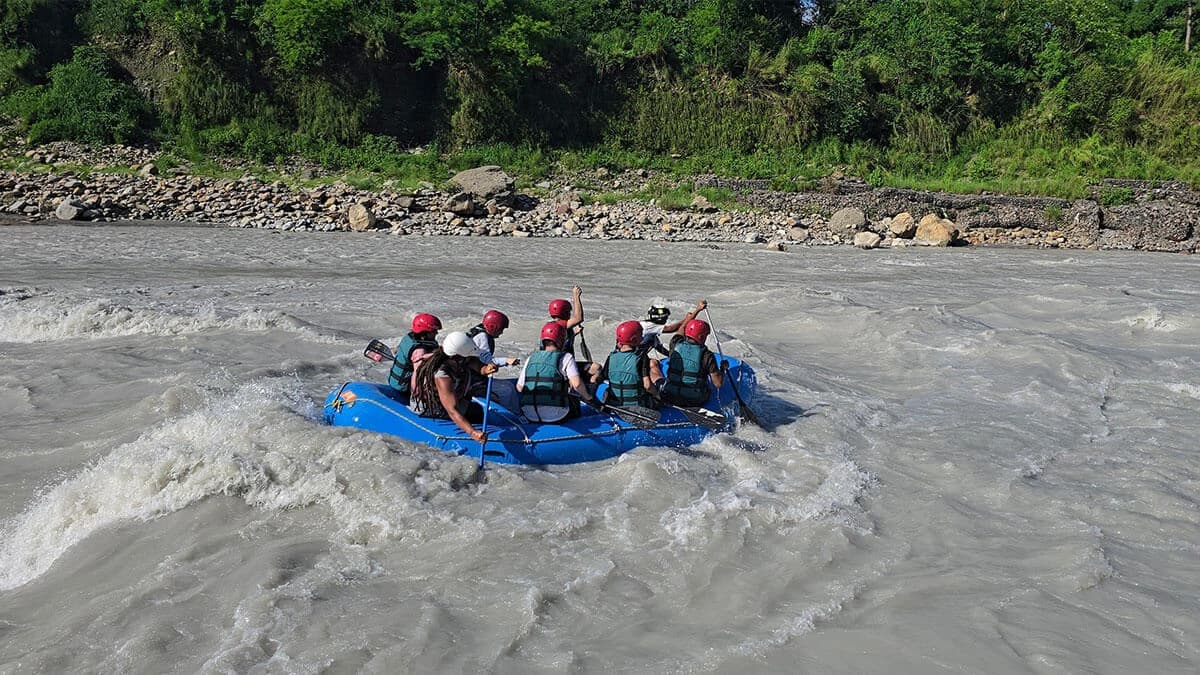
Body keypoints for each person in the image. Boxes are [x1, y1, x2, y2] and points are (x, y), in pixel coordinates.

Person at [409, 331, 499, 442]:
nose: (470, 359)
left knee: (477, 411)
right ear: (458, 358)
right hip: (431, 407)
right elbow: (452, 409)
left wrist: (485, 369)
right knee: (476, 413)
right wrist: (472, 432)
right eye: (468, 357)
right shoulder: (442, 376)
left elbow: (475, 364)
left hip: (450, 399)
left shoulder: (458, 358)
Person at [517, 321, 596, 422]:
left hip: (529, 414)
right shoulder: (566, 357)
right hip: (556, 416)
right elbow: (577, 385)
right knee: (574, 398)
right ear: (561, 340)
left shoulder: (531, 358)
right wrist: (589, 398)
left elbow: (519, 387)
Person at [654, 319, 724, 407]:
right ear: (701, 337)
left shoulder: (674, 343)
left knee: (655, 372)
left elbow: (681, 329)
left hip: (669, 395)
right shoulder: (707, 355)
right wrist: (722, 369)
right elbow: (718, 383)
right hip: (694, 400)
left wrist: (695, 312)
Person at [599, 321, 659, 409]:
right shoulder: (641, 357)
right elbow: (648, 385)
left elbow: (604, 378)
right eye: (640, 334)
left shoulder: (611, 356)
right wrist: (657, 395)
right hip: (637, 406)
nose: (642, 337)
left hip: (615, 404)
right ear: (634, 339)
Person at [388, 312, 441, 401]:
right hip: (405, 388)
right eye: (433, 331)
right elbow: (417, 375)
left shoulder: (409, 338)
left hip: (397, 382)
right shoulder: (419, 351)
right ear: (424, 332)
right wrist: (419, 396)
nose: (436, 333)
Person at [638, 298, 708, 357]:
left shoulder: (649, 330)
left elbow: (660, 348)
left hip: (633, 354)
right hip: (634, 356)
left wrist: (672, 356)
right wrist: (696, 310)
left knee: (653, 340)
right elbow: (673, 329)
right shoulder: (648, 326)